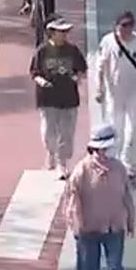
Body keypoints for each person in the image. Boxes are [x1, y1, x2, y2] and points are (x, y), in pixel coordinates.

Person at [64, 124, 136, 270]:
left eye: (108, 150)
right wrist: (75, 222)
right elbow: (72, 199)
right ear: (93, 150)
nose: (105, 155)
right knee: (89, 263)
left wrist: (130, 219)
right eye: (101, 150)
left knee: (115, 266)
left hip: (115, 226)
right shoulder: (81, 171)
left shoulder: (119, 169)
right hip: (89, 226)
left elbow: (127, 196)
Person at [92, 10, 136, 173]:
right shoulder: (108, 42)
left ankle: (126, 159)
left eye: (130, 25)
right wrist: (99, 88)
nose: (127, 29)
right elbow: (100, 66)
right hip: (115, 92)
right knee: (114, 126)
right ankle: (113, 158)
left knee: (133, 128)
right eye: (124, 25)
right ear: (116, 26)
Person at [32, 19, 89, 174]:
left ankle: (62, 162)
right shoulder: (42, 51)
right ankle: (51, 153)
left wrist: (77, 78)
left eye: (66, 32)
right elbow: (35, 73)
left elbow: (82, 69)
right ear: (52, 32)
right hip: (48, 98)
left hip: (69, 98)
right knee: (48, 131)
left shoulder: (72, 50)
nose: (64, 35)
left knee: (67, 133)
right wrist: (42, 82)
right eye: (61, 32)